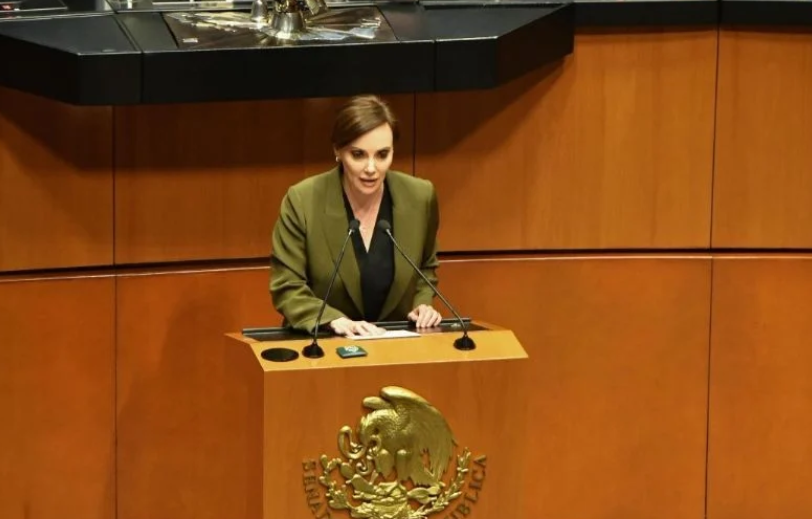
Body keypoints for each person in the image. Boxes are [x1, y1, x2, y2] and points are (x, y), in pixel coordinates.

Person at [269, 95, 443, 337]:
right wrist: (333, 320)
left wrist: (421, 305)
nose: (371, 168)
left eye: (382, 155)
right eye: (358, 154)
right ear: (338, 151)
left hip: (396, 345)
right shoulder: (303, 201)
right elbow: (286, 286)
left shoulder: (420, 197)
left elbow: (426, 267)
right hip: (324, 344)